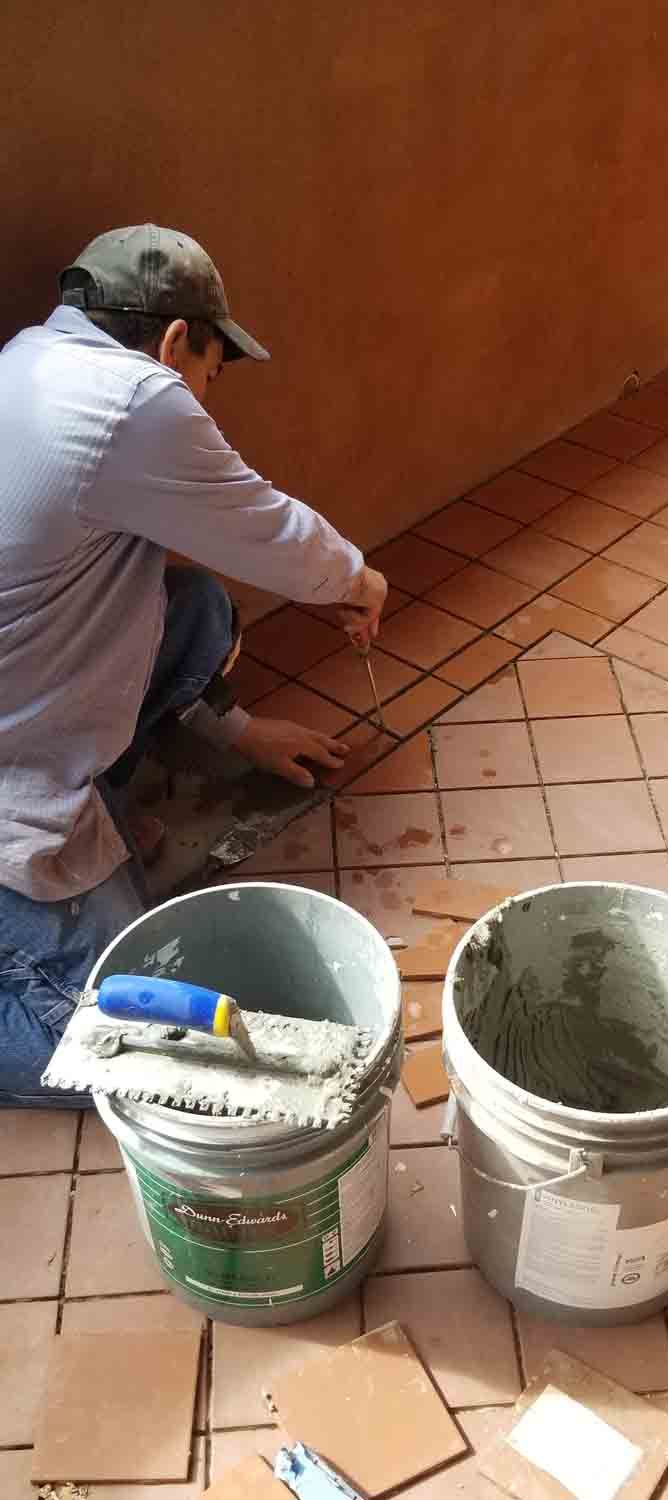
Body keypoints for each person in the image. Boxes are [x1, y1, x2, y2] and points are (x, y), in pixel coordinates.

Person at [0, 223, 387, 1107]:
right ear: (176, 342)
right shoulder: (138, 399)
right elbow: (275, 532)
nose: (208, 399)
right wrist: (358, 581)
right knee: (118, 1048)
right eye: (213, 373)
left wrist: (239, 730)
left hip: (25, 690)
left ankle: (94, 815)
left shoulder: (31, 357)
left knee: (195, 607)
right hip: (10, 774)